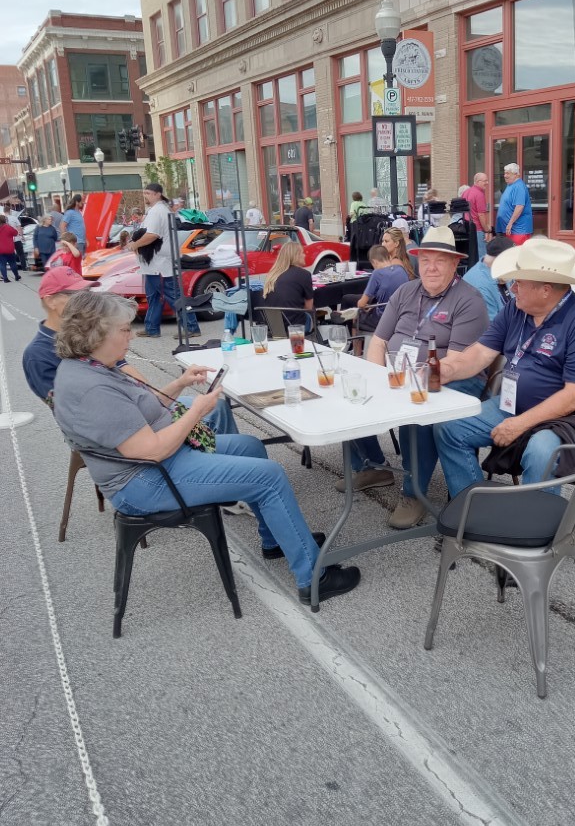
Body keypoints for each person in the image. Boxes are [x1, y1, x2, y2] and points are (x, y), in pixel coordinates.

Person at [51, 290, 360, 605]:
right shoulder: (92, 388)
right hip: (145, 480)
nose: (130, 335)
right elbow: (152, 450)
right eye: (124, 330)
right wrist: (197, 410)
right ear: (97, 333)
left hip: (154, 466)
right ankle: (313, 578)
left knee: (251, 446)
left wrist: (179, 383)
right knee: (270, 476)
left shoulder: (92, 366)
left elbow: (140, 412)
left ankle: (276, 540)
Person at [434, 238, 575, 496]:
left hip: (567, 418)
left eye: (519, 282)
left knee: (541, 451)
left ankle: (537, 520)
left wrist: (520, 424)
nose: (512, 288)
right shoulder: (516, 310)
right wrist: (445, 371)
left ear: (546, 290)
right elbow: (480, 353)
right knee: (449, 427)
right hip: (511, 405)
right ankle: (472, 507)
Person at [340, 227, 489, 529]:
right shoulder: (405, 291)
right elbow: (379, 342)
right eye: (426, 260)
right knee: (351, 390)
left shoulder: (468, 300)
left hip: (453, 380)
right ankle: (372, 465)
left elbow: (456, 363)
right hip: (400, 374)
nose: (431, 268)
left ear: (454, 264)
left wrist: (415, 380)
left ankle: (413, 493)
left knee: (419, 412)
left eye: (440, 261)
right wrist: (377, 378)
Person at [22, 267, 237, 442]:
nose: (85, 299)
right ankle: (216, 465)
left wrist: (158, 399)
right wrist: (160, 411)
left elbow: (128, 371)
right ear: (50, 301)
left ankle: (219, 462)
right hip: (115, 427)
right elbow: (76, 412)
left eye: (87, 292)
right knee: (219, 421)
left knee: (217, 407)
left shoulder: (88, 332)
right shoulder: (37, 355)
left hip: (133, 408)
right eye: (76, 294)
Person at [131, 182, 201, 339]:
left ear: (157, 194)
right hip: (154, 263)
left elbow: (152, 235)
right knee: (153, 297)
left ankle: (191, 327)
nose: (145, 196)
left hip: (160, 263)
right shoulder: (158, 210)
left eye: (148, 193)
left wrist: (134, 245)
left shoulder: (158, 211)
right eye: (145, 193)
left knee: (174, 296)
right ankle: (151, 327)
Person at [344, 244, 411, 332]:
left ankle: (350, 339)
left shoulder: (377, 273)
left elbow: (361, 304)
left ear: (374, 262)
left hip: (383, 318)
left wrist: (366, 306)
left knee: (355, 316)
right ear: (388, 256)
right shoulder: (401, 269)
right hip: (401, 314)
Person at [262, 241, 313, 329]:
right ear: (296, 256)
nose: (304, 255)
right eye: (302, 253)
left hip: (273, 327)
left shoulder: (272, 275)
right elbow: (308, 307)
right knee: (313, 313)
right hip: (295, 327)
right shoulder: (304, 274)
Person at [461, 235, 513, 321]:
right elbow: (493, 326)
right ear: (499, 261)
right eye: (511, 263)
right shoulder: (480, 287)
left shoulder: (494, 269)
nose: (513, 268)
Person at [495, 163, 533, 245]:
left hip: (518, 230)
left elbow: (519, 206)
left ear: (516, 174)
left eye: (508, 173)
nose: (505, 176)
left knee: (516, 251)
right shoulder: (510, 185)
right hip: (509, 230)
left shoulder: (519, 186)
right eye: (505, 173)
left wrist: (510, 223)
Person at [464, 172, 491, 260]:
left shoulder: (466, 192)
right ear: (478, 182)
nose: (487, 183)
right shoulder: (479, 194)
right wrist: (486, 230)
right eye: (485, 181)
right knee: (482, 257)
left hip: (467, 228)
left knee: (471, 257)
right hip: (477, 229)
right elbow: (481, 215)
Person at [0, 214, 20, 282]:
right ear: (5, 220)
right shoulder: (8, 227)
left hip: (0, 249)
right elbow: (16, 233)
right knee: (12, 263)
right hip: (9, 248)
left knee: (2, 264)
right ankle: (16, 276)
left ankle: (5, 278)